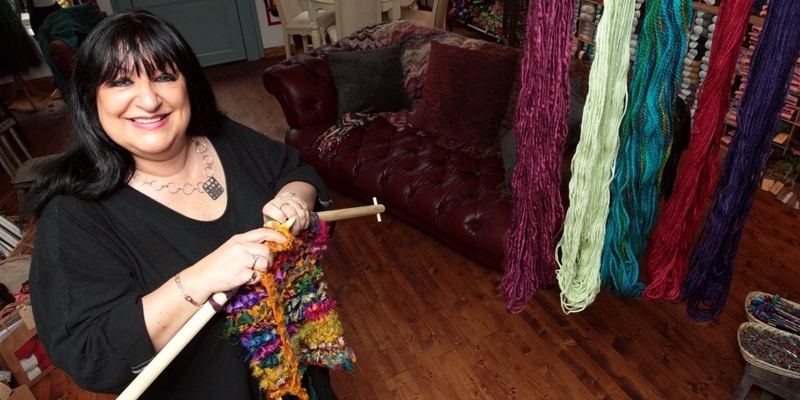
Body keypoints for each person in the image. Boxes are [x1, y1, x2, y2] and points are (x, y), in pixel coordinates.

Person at [23, 10, 337, 400]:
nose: (150, 99)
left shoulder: (224, 138)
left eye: (164, 76)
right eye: (121, 81)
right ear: (90, 97)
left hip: (299, 379)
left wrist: (294, 199)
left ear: (187, 84)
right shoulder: (72, 215)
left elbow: (297, 171)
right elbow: (91, 356)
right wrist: (201, 278)